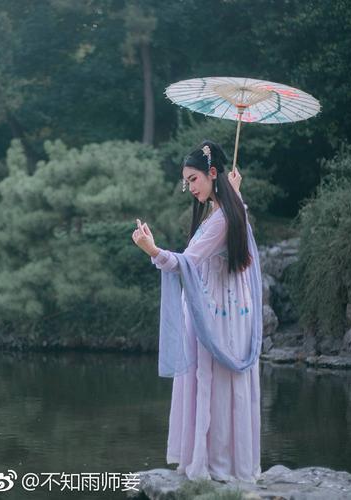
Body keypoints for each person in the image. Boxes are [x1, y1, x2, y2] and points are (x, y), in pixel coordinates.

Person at [130, 140, 263, 483]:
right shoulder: (232, 212)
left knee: (213, 384)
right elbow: (233, 212)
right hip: (232, 312)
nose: (189, 187)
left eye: (193, 179)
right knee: (223, 385)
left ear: (212, 174)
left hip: (213, 313)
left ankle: (215, 464)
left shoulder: (220, 221)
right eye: (186, 181)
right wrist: (232, 191)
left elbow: (185, 263)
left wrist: (152, 249)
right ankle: (228, 461)